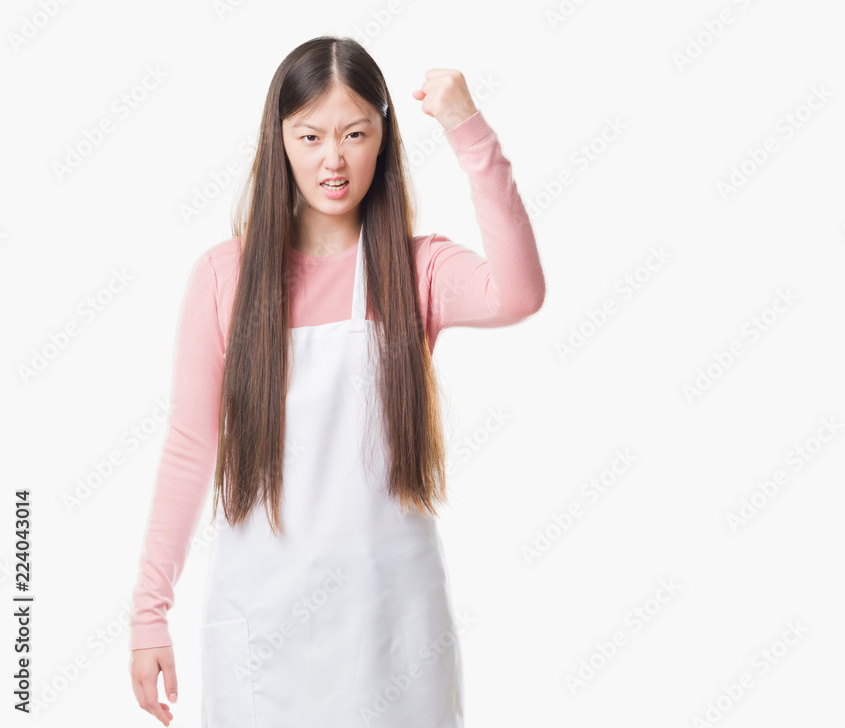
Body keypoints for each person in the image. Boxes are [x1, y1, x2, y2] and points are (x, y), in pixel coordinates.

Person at [127, 35, 545, 727]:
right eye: (310, 136)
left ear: (384, 137)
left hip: (393, 626)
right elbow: (190, 445)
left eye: (355, 133)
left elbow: (520, 293)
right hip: (264, 625)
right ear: (280, 140)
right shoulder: (225, 277)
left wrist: (468, 129)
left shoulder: (417, 270)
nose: (333, 159)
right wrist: (149, 614)